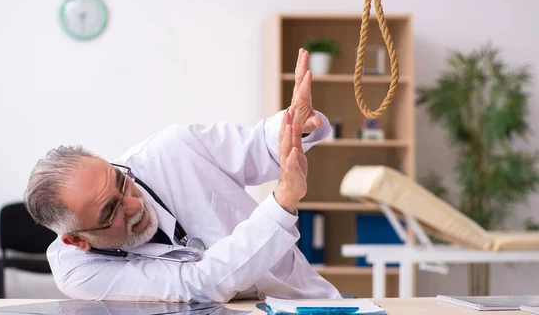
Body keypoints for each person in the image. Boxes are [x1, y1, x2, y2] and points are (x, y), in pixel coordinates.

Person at [24, 49, 342, 303]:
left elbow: (259, 147)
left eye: (121, 181)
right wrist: (283, 200)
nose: (133, 205)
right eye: (110, 211)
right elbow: (194, 285)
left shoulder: (172, 149)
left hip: (301, 301)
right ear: (77, 240)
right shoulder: (77, 270)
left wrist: (295, 126)